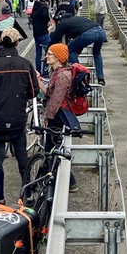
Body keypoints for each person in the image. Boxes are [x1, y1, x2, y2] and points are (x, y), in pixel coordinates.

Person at [0, 27, 39, 208]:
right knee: (22, 158)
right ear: (17, 43)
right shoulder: (25, 64)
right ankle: (27, 195)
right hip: (17, 118)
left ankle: (1, 199)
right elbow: (33, 91)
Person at [37, 43, 79, 192]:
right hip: (56, 116)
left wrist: (48, 117)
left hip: (58, 118)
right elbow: (49, 92)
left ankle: (66, 182)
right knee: (52, 149)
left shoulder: (62, 75)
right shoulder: (56, 72)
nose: (46, 56)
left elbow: (56, 100)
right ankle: (54, 179)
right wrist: (39, 81)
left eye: (50, 54)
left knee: (52, 149)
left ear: (59, 58)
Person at [49, 11, 106, 85]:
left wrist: (48, 49)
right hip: (101, 31)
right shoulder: (75, 19)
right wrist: (77, 52)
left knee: (69, 49)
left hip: (89, 34)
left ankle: (79, 74)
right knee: (97, 53)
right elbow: (79, 43)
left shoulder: (63, 23)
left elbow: (55, 39)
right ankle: (100, 77)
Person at [31, 0, 51, 75]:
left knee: (38, 54)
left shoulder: (35, 7)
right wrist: (48, 21)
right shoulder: (44, 7)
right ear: (46, 1)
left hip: (36, 33)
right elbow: (45, 16)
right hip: (43, 32)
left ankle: (38, 71)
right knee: (48, 52)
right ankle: (45, 72)